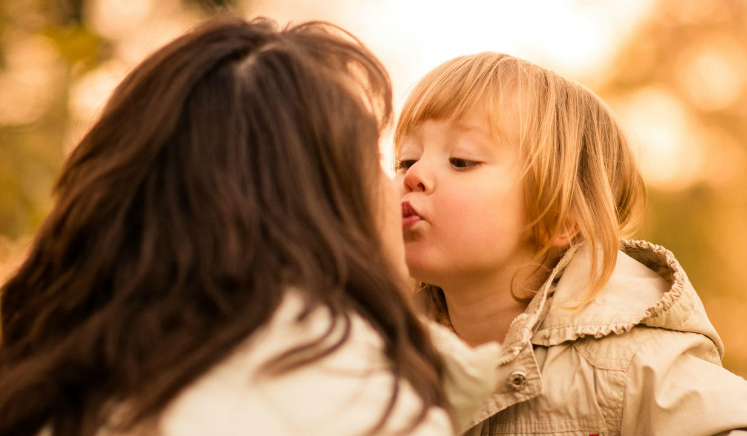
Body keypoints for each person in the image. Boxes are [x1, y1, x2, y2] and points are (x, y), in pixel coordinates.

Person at [0, 16, 500, 436]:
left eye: (461, 160)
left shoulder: (42, 376)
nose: (405, 184)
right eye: (383, 159)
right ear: (315, 204)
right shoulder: (371, 408)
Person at [393, 52, 747, 436]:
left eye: (461, 160)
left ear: (561, 217)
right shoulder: (375, 356)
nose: (415, 175)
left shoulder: (631, 364)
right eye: (405, 160)